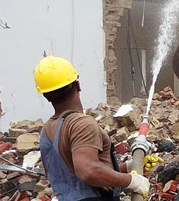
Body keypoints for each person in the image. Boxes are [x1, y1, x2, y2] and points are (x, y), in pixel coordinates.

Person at [34, 56, 154, 200]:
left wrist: (127, 167)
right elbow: (88, 171)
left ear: (46, 95)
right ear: (78, 85)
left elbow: (72, 176)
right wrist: (131, 181)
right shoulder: (82, 124)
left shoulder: (47, 131)